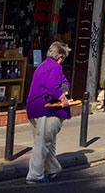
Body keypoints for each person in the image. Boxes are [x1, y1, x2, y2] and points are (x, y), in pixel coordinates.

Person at [25, 42, 72, 184]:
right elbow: (53, 86)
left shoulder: (42, 66)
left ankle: (53, 168)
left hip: (34, 108)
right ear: (61, 57)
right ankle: (35, 175)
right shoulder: (55, 67)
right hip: (47, 109)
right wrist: (63, 98)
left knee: (47, 142)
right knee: (43, 143)